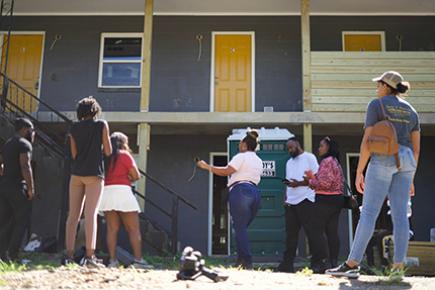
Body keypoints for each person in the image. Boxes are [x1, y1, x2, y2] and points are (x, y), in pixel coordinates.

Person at [327, 71, 420, 280]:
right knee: (400, 215)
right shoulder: (411, 111)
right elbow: (416, 149)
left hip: (384, 157)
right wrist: (411, 176)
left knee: (368, 212)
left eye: (378, 84)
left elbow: (367, 140)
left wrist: (359, 170)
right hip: (406, 160)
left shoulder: (376, 105)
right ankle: (398, 268)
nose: (376, 88)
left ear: (386, 86)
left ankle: (352, 264)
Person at [197, 131, 262, 269]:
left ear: (244, 145)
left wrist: (206, 167)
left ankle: (247, 261)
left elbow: (226, 171)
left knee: (240, 228)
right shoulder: (258, 160)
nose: (239, 146)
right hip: (255, 192)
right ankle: (240, 260)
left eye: (240, 144)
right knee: (241, 228)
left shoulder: (241, 156)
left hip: (240, 191)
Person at [63, 97, 112, 267]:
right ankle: (90, 257)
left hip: (76, 174)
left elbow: (74, 154)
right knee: (90, 215)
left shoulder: (73, 128)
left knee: (72, 216)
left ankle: (68, 255)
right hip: (94, 174)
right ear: (95, 110)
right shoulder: (101, 125)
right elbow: (108, 150)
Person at [99, 132, 151, 269]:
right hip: (123, 191)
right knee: (133, 229)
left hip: (107, 192)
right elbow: (136, 175)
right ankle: (138, 260)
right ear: (123, 143)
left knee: (111, 229)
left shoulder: (105, 156)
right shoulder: (125, 155)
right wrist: (128, 178)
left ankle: (113, 261)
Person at [277, 137, 327, 273]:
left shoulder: (309, 158)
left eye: (291, 147)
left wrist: (298, 183)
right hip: (291, 202)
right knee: (290, 235)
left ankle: (318, 264)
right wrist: (286, 197)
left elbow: (316, 179)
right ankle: (287, 265)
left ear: (297, 144)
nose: (290, 150)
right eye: (288, 148)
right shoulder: (289, 162)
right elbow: (289, 182)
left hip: (306, 200)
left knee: (313, 233)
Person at [305, 136, 344, 268]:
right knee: (332, 232)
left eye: (321, 146)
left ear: (327, 147)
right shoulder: (336, 161)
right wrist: (313, 178)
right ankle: (333, 261)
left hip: (324, 200)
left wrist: (311, 181)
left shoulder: (326, 161)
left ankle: (319, 261)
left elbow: (324, 183)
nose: (319, 148)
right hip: (337, 200)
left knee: (315, 230)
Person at [0, 118, 35, 262]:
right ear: (25, 129)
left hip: (4, 186)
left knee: (5, 221)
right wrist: (31, 188)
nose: (33, 134)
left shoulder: (7, 143)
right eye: (32, 130)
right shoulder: (24, 144)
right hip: (17, 187)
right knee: (21, 220)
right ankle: (14, 255)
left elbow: (1, 164)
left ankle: (2, 255)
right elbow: (25, 166)